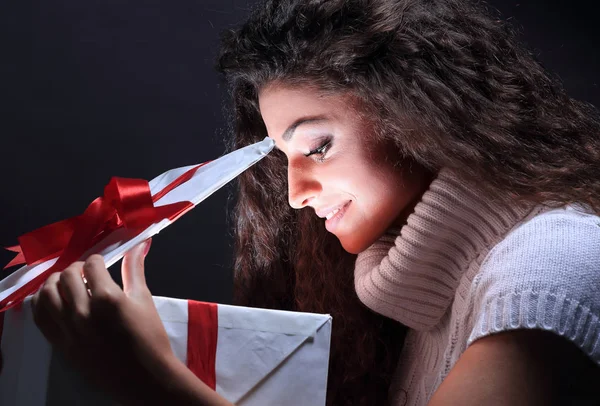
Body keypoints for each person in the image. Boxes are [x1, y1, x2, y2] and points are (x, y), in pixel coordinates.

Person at [31, 0, 600, 405]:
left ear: (422, 113)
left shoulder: (548, 272)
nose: (297, 195)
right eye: (286, 159)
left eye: (319, 147)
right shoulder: (424, 302)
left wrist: (150, 378)